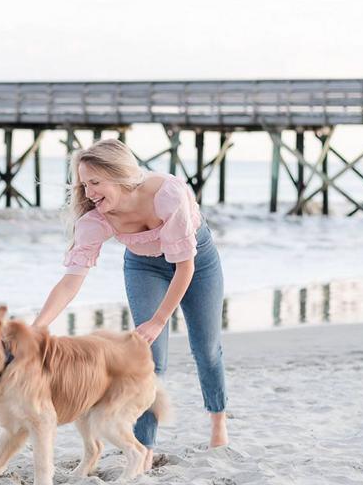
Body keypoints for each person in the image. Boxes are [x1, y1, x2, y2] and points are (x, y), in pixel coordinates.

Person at [32, 139, 228, 467]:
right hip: (144, 265)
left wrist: (159, 320)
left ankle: (218, 422)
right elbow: (71, 281)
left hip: (197, 260)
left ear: (120, 175)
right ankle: (146, 446)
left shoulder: (167, 195)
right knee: (149, 357)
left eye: (95, 182)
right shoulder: (95, 220)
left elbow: (185, 267)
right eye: (84, 184)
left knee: (206, 348)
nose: (89, 192)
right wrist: (40, 325)